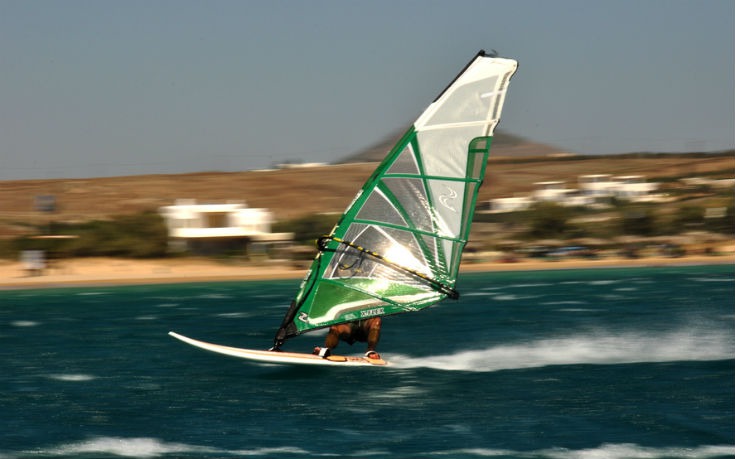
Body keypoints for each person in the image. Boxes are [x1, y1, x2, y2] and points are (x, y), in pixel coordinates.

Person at [313, 317, 382, 360]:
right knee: (334, 326)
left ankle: (370, 351)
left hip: (365, 325)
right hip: (347, 323)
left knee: (377, 320)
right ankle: (326, 350)